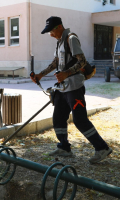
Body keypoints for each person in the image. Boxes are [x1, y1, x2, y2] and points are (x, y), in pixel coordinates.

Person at [31, 16, 112, 164]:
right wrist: (40, 75)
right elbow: (56, 62)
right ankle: (64, 147)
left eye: (51, 31)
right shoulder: (59, 42)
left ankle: (102, 148)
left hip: (74, 87)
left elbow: (82, 61)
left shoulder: (71, 38)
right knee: (58, 117)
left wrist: (66, 73)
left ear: (59, 27)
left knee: (80, 120)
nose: (50, 34)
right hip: (63, 88)